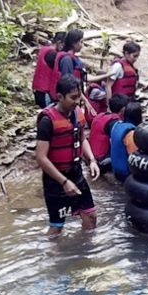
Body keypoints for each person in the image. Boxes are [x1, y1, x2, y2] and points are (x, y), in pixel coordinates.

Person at [35, 75, 101, 236]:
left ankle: (84, 255)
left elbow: (82, 138)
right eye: (73, 98)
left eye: (79, 96)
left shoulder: (78, 113)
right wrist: (64, 182)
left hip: (76, 173)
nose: (77, 101)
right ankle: (53, 258)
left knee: (91, 217)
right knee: (57, 227)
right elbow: (41, 157)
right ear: (59, 97)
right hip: (55, 180)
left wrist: (92, 160)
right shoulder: (47, 121)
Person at [88, 93, 128, 171]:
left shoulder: (101, 115)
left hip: (91, 156)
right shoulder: (114, 123)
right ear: (123, 109)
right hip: (101, 161)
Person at [110, 102, 144, 181]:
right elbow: (135, 157)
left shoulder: (116, 125)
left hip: (115, 170)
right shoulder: (130, 133)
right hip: (125, 174)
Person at [31, 31, 65, 107]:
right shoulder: (53, 54)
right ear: (59, 43)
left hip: (38, 90)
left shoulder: (44, 49)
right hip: (45, 92)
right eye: (64, 45)